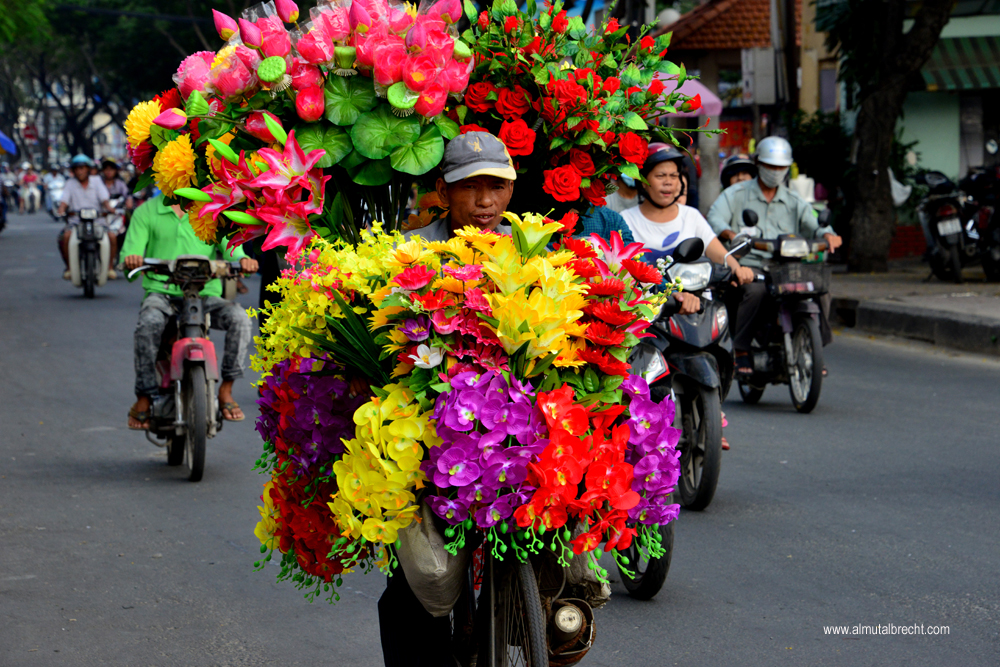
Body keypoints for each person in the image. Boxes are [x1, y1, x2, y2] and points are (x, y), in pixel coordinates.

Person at [706, 136, 843, 374]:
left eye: (781, 167)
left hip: (787, 267)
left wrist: (828, 235)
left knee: (820, 287)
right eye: (770, 166)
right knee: (755, 291)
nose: (775, 171)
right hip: (750, 265)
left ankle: (815, 347)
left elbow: (815, 225)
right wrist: (731, 233)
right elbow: (714, 218)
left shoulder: (793, 200)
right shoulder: (736, 194)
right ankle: (741, 349)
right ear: (758, 163)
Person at [121, 195, 258, 430]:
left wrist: (243, 259)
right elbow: (130, 252)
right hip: (162, 293)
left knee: (241, 319)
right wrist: (132, 258)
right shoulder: (147, 211)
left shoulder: (211, 209)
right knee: (148, 323)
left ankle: (226, 389)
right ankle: (144, 395)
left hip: (205, 294)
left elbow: (231, 248)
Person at [620, 143, 754, 318]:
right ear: (643, 181)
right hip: (648, 313)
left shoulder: (691, 215)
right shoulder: (625, 220)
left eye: (674, 176)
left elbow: (718, 253)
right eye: (660, 175)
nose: (668, 182)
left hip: (697, 307)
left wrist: (737, 269)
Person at [57, 154, 117, 280]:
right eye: (77, 169)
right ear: (73, 171)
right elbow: (64, 201)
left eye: (82, 168)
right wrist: (61, 209)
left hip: (98, 220)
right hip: (76, 221)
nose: (80, 171)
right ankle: (69, 268)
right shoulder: (70, 183)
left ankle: (110, 267)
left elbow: (104, 199)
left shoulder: (97, 181)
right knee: (65, 237)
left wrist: (109, 208)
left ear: (88, 169)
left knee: (112, 237)